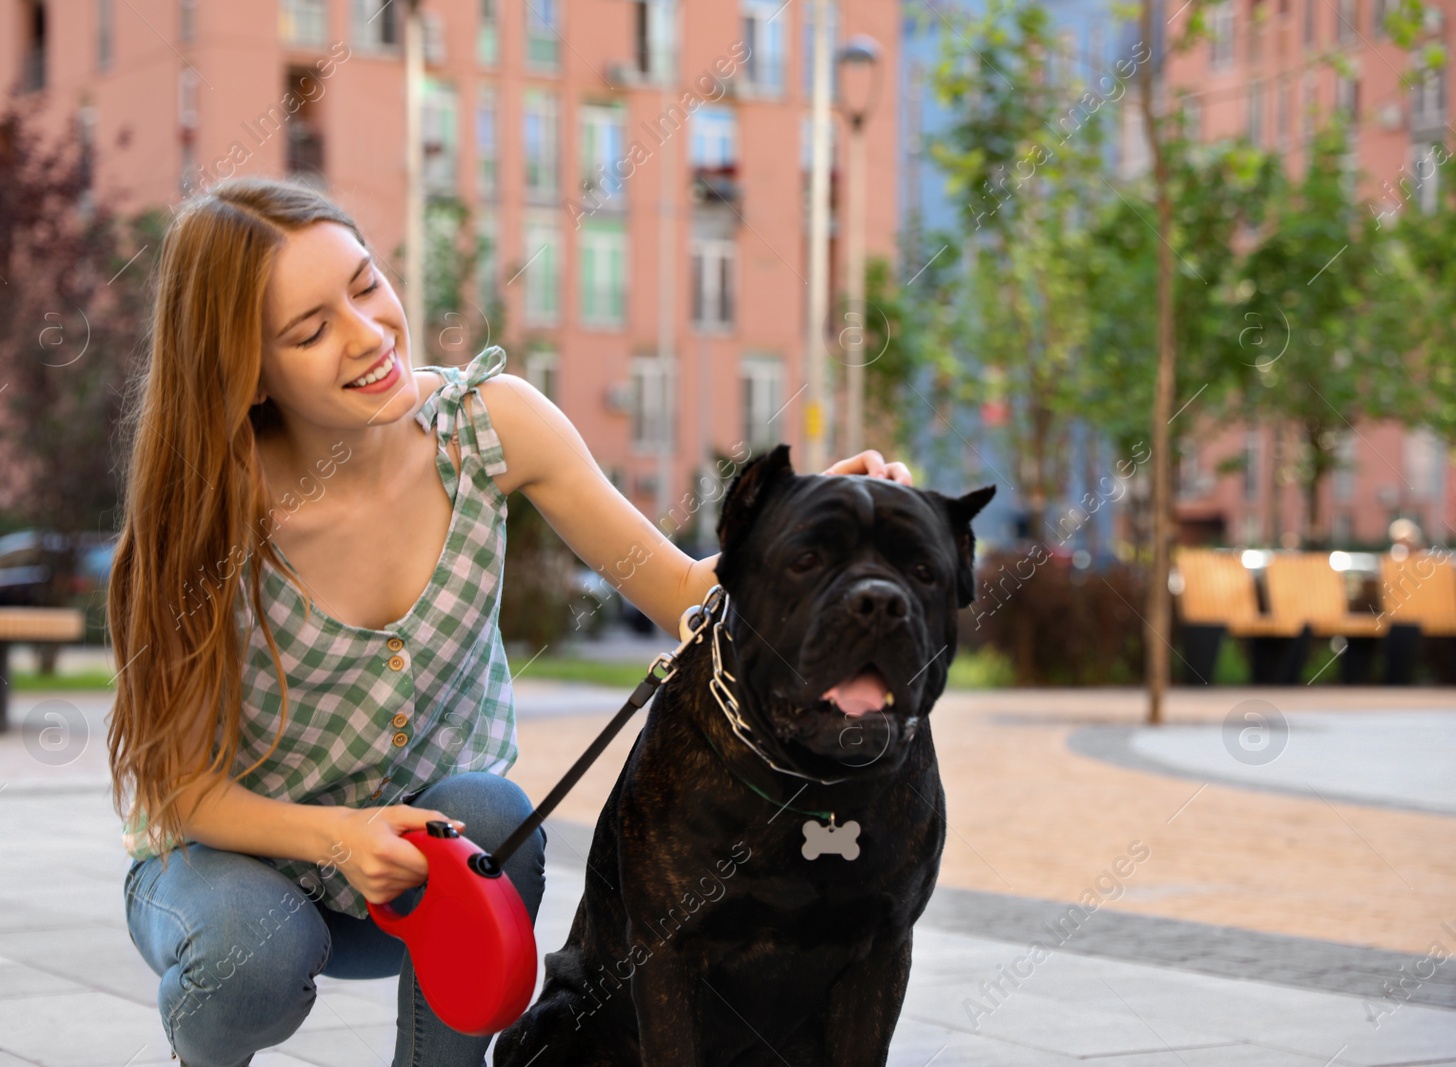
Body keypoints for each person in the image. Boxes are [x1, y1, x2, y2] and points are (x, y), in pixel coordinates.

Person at [106, 176, 912, 1067]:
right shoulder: (207, 518)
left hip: (417, 879)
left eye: (367, 284)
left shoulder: (489, 428)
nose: (369, 333)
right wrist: (341, 836)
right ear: (246, 370)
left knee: (488, 810)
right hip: (237, 876)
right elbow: (176, 786)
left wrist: (813, 531)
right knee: (245, 954)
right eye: (310, 329)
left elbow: (687, 595)